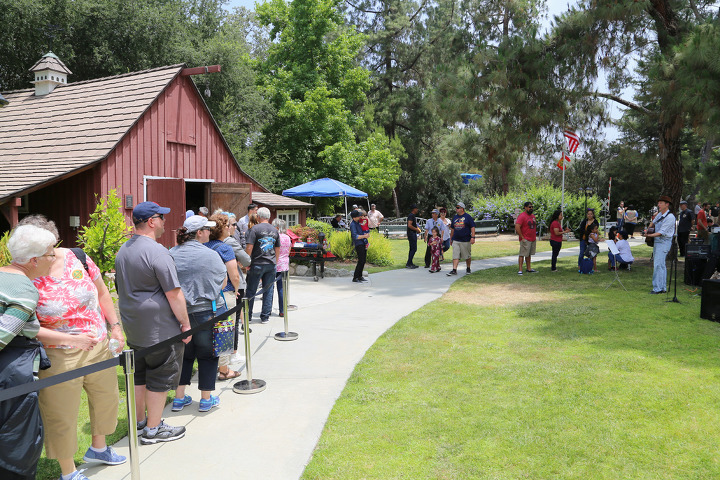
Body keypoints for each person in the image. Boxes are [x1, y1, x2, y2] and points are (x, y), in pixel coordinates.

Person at [22, 215, 126, 480]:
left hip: (98, 345)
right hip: (58, 353)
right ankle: (68, 472)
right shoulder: (27, 272)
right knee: (61, 413)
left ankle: (98, 447)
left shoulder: (77, 257)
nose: (46, 254)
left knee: (106, 399)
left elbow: (102, 292)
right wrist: (71, 339)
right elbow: (27, 326)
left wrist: (115, 326)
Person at [114, 201, 191, 445]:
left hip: (134, 327)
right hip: (160, 329)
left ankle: (140, 422)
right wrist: (186, 324)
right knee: (159, 376)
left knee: (140, 375)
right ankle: (153, 429)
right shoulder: (158, 251)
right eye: (162, 217)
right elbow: (174, 293)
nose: (165, 222)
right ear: (151, 221)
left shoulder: (123, 250)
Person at [0, 225, 56, 480]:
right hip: (10, 375)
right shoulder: (24, 289)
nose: (53, 259)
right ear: (35, 261)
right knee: (17, 446)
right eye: (50, 254)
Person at [170, 215, 227, 413]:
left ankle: (178, 398)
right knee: (208, 355)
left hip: (179, 315)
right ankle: (205, 399)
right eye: (207, 229)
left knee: (183, 356)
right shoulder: (211, 255)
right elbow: (223, 282)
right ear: (199, 233)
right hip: (208, 312)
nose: (210, 232)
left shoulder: (171, 254)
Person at [206, 212, 242, 380]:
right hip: (224, 293)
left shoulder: (205, 246)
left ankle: (210, 366)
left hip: (206, 295)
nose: (230, 228)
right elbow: (234, 275)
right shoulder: (225, 248)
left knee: (209, 332)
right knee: (225, 331)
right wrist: (236, 290)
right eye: (228, 225)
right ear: (222, 229)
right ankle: (224, 370)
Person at [223, 212, 252, 358]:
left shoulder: (211, 242)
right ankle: (233, 353)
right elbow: (246, 260)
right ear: (226, 226)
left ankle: (224, 355)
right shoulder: (229, 241)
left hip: (218, 287)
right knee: (232, 322)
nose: (236, 227)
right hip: (233, 285)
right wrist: (239, 262)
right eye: (233, 224)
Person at [245, 207, 280, 323]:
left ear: (259, 217)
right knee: (268, 290)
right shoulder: (275, 230)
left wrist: (247, 262)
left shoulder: (254, 229)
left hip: (257, 263)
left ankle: (248, 316)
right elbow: (277, 248)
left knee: (251, 290)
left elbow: (249, 247)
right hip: (271, 263)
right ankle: (265, 316)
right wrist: (276, 261)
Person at [644, 195, 676, 294]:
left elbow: (661, 232)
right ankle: (662, 288)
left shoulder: (670, 217)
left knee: (658, 264)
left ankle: (657, 288)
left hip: (664, 242)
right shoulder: (659, 214)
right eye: (658, 203)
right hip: (658, 241)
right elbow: (652, 223)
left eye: (661, 203)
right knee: (661, 265)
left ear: (667, 205)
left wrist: (648, 234)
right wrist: (647, 229)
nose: (659, 204)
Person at [447, 202, 476, 276]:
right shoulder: (455, 217)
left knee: (467, 256)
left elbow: (472, 227)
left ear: (462, 209)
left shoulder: (468, 217)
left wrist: (473, 237)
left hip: (465, 240)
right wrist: (451, 238)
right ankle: (454, 270)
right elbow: (452, 229)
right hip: (456, 240)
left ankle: (468, 268)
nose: (456, 209)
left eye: (458, 207)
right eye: (456, 207)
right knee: (455, 255)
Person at [272, 218, 292, 314]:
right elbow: (289, 251)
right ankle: (282, 310)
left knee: (269, 289)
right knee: (282, 289)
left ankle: (266, 312)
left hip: (274, 264)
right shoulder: (287, 237)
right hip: (284, 265)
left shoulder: (274, 237)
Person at [515, 201, 538, 275]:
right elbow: (517, 227)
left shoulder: (533, 216)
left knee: (529, 254)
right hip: (525, 238)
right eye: (529, 207)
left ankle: (529, 268)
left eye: (532, 207)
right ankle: (520, 270)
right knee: (522, 254)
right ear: (525, 207)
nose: (531, 208)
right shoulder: (522, 216)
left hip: (532, 238)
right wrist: (522, 237)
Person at [350, 210, 370, 282]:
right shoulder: (353, 225)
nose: (360, 217)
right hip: (359, 244)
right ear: (354, 217)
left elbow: (366, 221)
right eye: (358, 216)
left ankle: (360, 276)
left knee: (363, 260)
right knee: (361, 260)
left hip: (363, 242)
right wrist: (364, 236)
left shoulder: (358, 222)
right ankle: (355, 277)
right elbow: (355, 236)